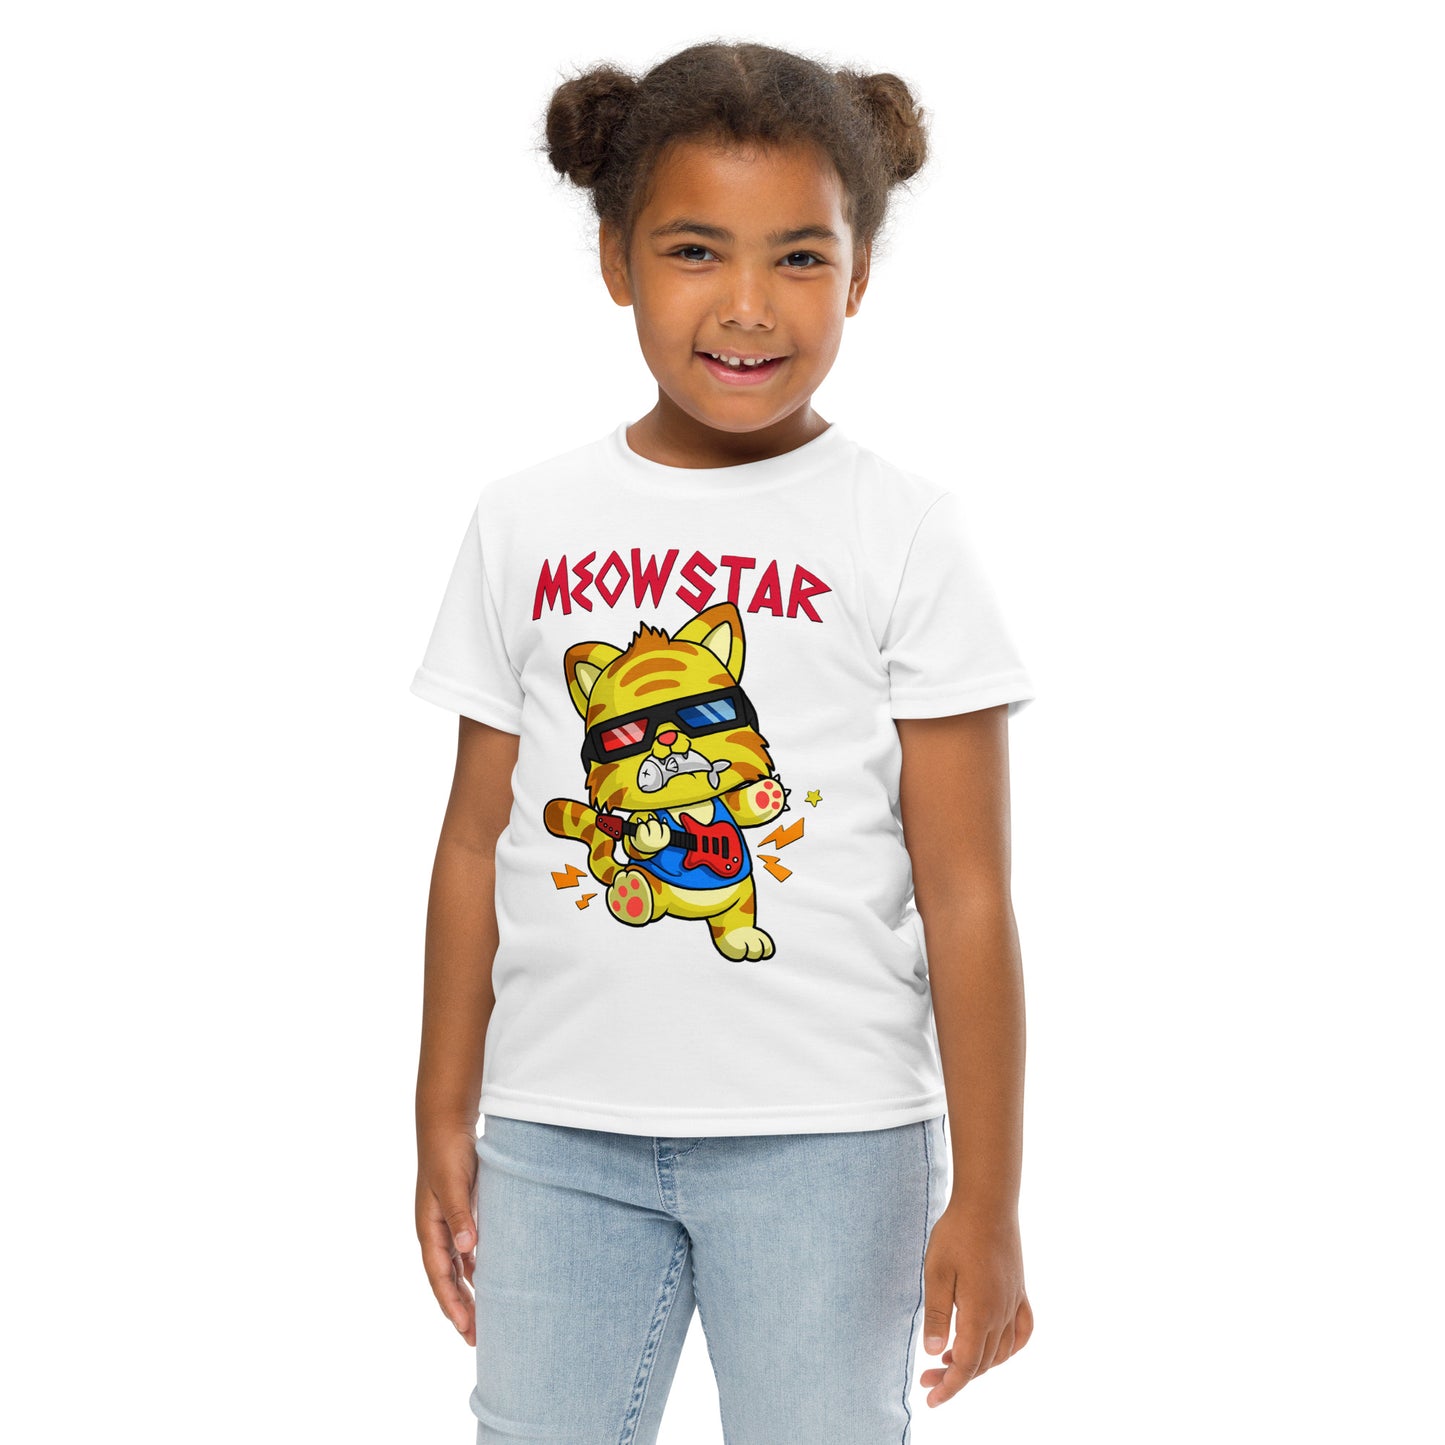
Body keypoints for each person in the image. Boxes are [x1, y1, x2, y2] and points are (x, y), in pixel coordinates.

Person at [410, 38, 1037, 1444]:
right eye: (695, 250)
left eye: (799, 257)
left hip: (830, 1145)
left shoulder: (902, 532)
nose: (747, 305)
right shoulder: (523, 523)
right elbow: (470, 843)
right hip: (557, 1138)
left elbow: (968, 893)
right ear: (615, 260)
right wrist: (444, 1108)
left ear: (858, 274)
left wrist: (989, 1198)